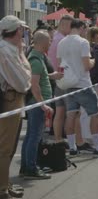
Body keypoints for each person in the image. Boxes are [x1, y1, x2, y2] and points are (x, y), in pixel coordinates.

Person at [57, 19, 98, 157]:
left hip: (69, 84)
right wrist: (94, 60)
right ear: (81, 27)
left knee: (71, 115)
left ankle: (72, 148)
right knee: (95, 115)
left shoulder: (61, 42)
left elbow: (60, 65)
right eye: (86, 29)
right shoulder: (83, 42)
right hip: (83, 83)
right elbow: (86, 65)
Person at [20, 31, 62, 179]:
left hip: (37, 103)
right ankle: (31, 168)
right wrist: (42, 104)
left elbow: (39, 78)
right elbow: (35, 85)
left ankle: (26, 167)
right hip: (38, 104)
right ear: (43, 43)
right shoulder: (36, 60)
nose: (51, 43)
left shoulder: (37, 58)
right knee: (35, 136)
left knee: (31, 136)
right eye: (49, 41)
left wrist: (52, 76)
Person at [0, 16, 32, 199]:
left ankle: (5, 184)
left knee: (10, 146)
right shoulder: (5, 51)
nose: (24, 33)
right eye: (22, 30)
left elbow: (25, 77)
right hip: (9, 99)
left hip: (14, 98)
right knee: (5, 146)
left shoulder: (12, 49)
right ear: (17, 31)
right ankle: (2, 188)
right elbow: (22, 82)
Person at [47, 15, 73, 145]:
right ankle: (67, 138)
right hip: (62, 78)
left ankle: (58, 138)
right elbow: (63, 61)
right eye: (70, 26)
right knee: (68, 111)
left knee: (59, 111)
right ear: (62, 25)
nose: (71, 29)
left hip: (55, 77)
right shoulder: (62, 40)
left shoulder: (56, 38)